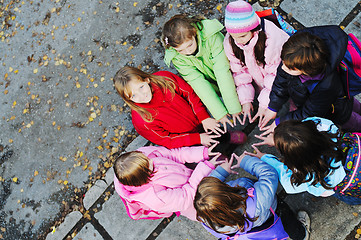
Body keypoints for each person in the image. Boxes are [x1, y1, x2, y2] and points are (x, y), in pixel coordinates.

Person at [259, 26, 361, 135]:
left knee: (354, 122)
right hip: (332, 100)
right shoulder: (292, 59)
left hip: (336, 111)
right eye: (283, 62)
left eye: (290, 68)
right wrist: (273, 107)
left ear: (307, 71)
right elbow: (281, 81)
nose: (283, 68)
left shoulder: (326, 85)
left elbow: (310, 112)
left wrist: (280, 121)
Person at [113, 66, 247, 150]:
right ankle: (215, 151)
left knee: (216, 126)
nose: (142, 95)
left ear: (146, 79)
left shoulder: (165, 79)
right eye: (134, 96)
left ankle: (225, 136)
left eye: (141, 87)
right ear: (128, 99)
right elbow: (166, 139)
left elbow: (190, 94)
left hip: (199, 115)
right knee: (205, 148)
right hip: (187, 137)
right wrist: (197, 139)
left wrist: (204, 117)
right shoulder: (142, 121)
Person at [194, 152, 310, 240]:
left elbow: (208, 196)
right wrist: (246, 161)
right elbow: (269, 175)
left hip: (252, 230)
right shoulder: (258, 200)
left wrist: (220, 172)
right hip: (272, 212)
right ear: (227, 194)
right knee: (288, 221)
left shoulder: (205, 216)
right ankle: (301, 234)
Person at [252, 116, 361, 205]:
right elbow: (307, 125)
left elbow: (288, 184)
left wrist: (264, 157)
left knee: (352, 197)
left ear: (295, 158)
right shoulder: (325, 126)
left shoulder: (310, 175)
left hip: (352, 188)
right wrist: (285, 138)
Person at [162, 14, 242, 131]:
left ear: (194, 32)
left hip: (235, 73)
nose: (187, 51)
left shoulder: (211, 36)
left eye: (189, 45)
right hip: (213, 83)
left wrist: (233, 107)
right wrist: (219, 113)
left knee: (242, 94)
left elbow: (222, 70)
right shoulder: (177, 57)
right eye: (180, 50)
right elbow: (197, 82)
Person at [113, 145, 223, 221]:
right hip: (199, 206)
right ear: (143, 178)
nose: (152, 160)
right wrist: (205, 168)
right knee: (220, 211)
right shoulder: (156, 198)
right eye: (149, 166)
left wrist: (201, 153)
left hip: (197, 179)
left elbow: (174, 154)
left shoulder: (145, 156)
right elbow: (187, 196)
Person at [223, 0, 289, 124]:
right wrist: (246, 100)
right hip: (262, 83)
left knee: (285, 103)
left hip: (281, 82)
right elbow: (239, 72)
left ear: (254, 29)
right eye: (233, 36)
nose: (238, 41)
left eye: (242, 36)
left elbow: (277, 73)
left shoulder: (272, 38)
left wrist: (264, 104)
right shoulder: (229, 41)